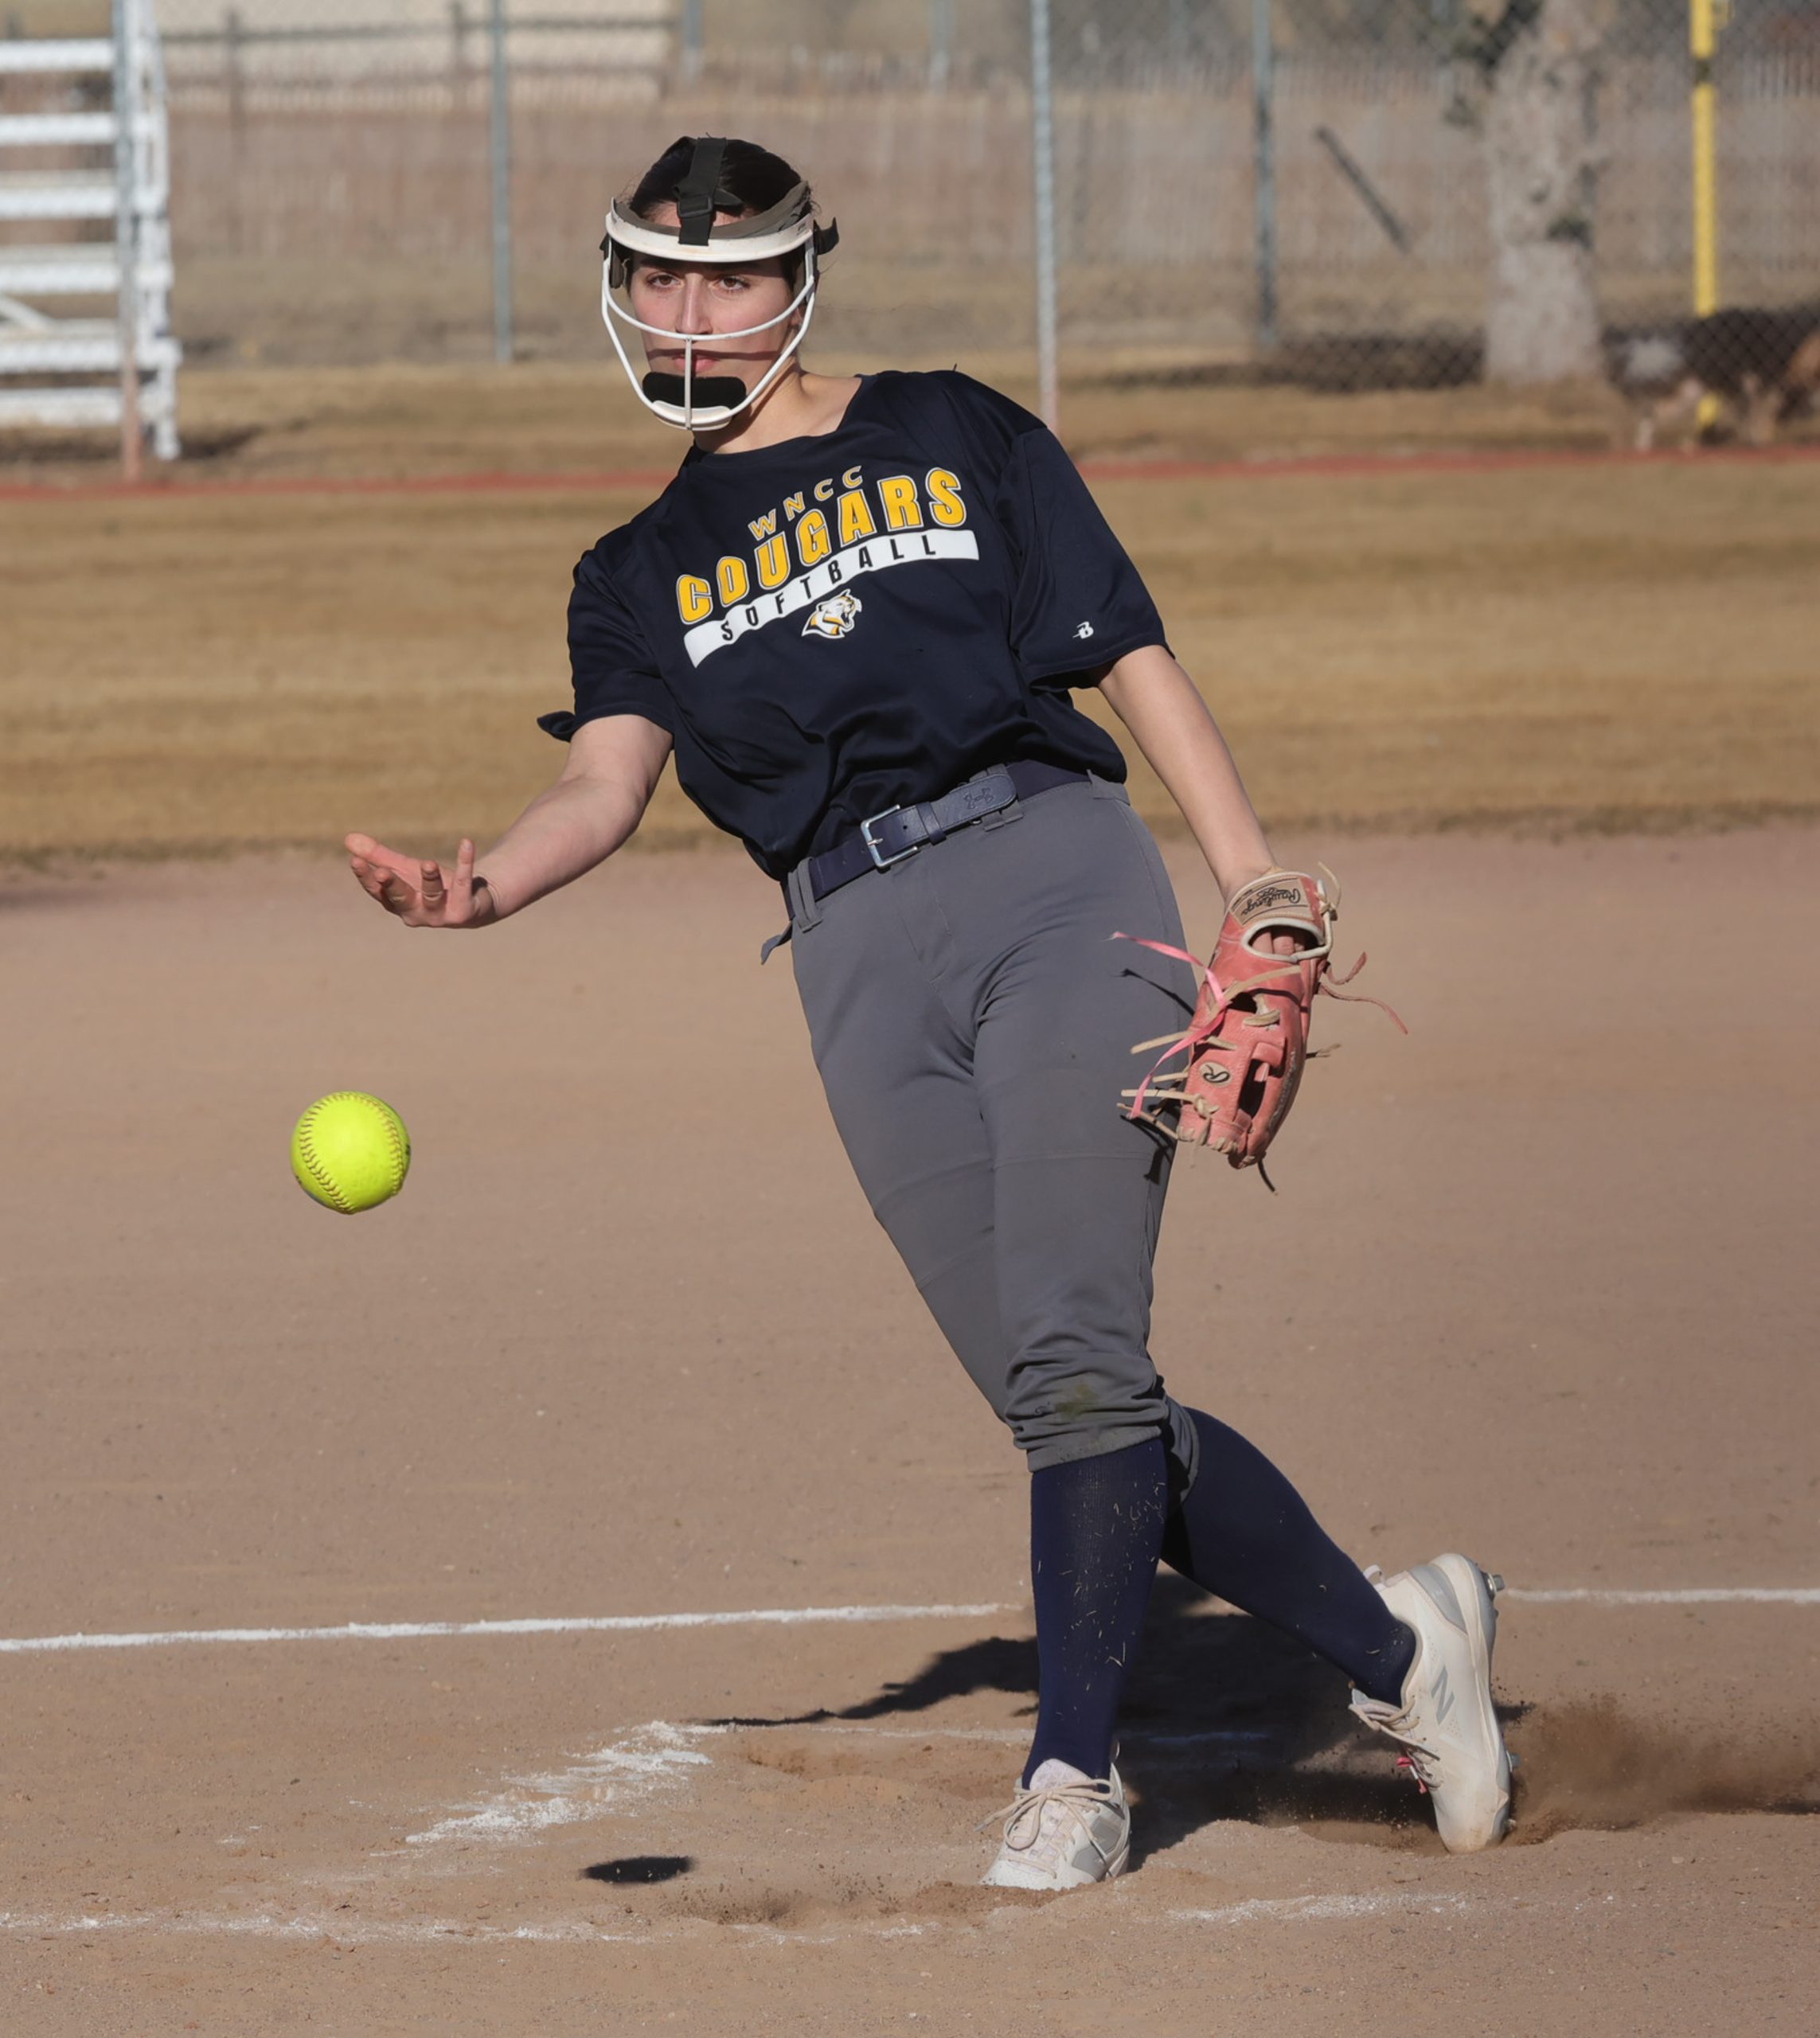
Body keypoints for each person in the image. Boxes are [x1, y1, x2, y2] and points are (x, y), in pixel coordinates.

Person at [346, 135, 1512, 1888]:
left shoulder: (956, 427)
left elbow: (1131, 654)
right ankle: (1409, 1647)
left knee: (1074, 1352)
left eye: (728, 276)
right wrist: (482, 886)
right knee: (1064, 1392)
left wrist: (1255, 883)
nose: (690, 311)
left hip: (1050, 871)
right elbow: (603, 786)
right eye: (658, 278)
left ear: (805, 274)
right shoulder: (635, 567)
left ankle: (1073, 1773)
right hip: (850, 960)